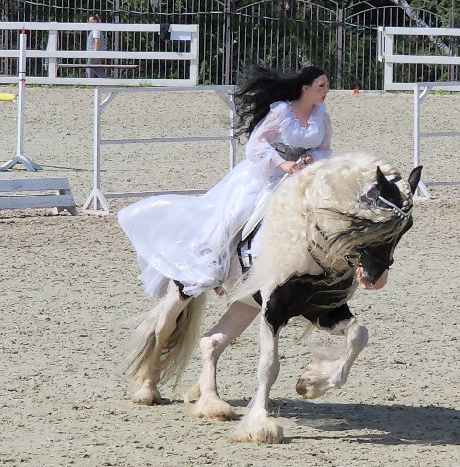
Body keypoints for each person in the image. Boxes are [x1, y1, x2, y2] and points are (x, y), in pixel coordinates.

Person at [118, 65, 333, 299]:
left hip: (302, 176)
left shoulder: (320, 116)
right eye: (321, 86)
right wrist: (282, 163)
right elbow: (255, 146)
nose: (327, 90)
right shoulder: (281, 112)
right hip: (267, 175)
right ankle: (215, 261)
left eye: (327, 85)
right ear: (305, 88)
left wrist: (312, 157)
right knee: (237, 214)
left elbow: (325, 149)